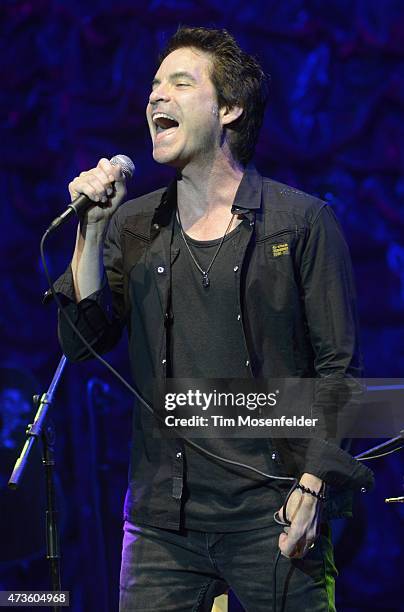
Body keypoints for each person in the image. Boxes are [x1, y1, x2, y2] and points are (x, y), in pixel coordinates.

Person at [55, 26, 374, 612]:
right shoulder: (134, 225)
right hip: (160, 525)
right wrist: (92, 229)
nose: (156, 97)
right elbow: (82, 340)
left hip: (271, 510)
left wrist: (314, 483)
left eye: (179, 83)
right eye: (153, 85)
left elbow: (340, 369)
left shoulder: (299, 222)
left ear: (228, 108)